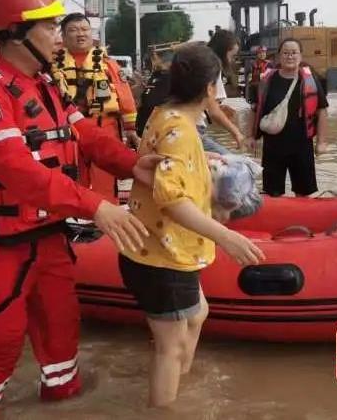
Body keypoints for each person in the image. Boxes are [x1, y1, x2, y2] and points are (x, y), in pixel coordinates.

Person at [0, 0, 162, 418]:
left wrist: (133, 165)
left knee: (61, 328)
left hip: (47, 235)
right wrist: (97, 206)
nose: (60, 35)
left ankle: (63, 402)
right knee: (2, 339)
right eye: (50, 26)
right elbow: (18, 171)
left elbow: (85, 135)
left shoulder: (45, 84)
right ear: (16, 33)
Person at [121, 43, 264, 408]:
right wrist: (226, 235)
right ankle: (164, 408)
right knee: (170, 348)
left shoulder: (162, 114)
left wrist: (206, 157)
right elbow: (172, 199)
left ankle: (182, 384)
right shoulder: (181, 132)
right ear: (210, 89)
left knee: (198, 313)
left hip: (158, 249)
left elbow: (166, 165)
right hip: (162, 255)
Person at [53, 12, 139, 203]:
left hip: (104, 128)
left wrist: (131, 130)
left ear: (91, 34)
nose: (80, 34)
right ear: (64, 37)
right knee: (72, 178)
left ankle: (107, 226)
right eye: (73, 30)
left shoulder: (108, 65)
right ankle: (76, 221)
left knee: (106, 180)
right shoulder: (52, 66)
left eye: (84, 29)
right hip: (68, 133)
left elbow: (125, 98)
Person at [249, 38, 328, 197]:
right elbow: (254, 110)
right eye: (285, 53)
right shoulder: (266, 81)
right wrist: (251, 136)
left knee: (304, 192)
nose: (290, 56)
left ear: (300, 56)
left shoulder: (310, 81)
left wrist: (321, 142)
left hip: (302, 145)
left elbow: (322, 111)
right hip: (273, 147)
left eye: (294, 53)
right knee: (272, 192)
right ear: (278, 56)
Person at [202, 29, 246, 154]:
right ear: (222, 51)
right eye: (231, 56)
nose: (231, 60)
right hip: (193, 129)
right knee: (234, 163)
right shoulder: (213, 67)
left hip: (176, 126)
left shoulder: (198, 62)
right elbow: (214, 111)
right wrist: (237, 133)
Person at [136, 50, 172, 136]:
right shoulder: (155, 75)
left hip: (157, 128)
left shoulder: (171, 77)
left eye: (154, 58)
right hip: (143, 126)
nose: (152, 62)